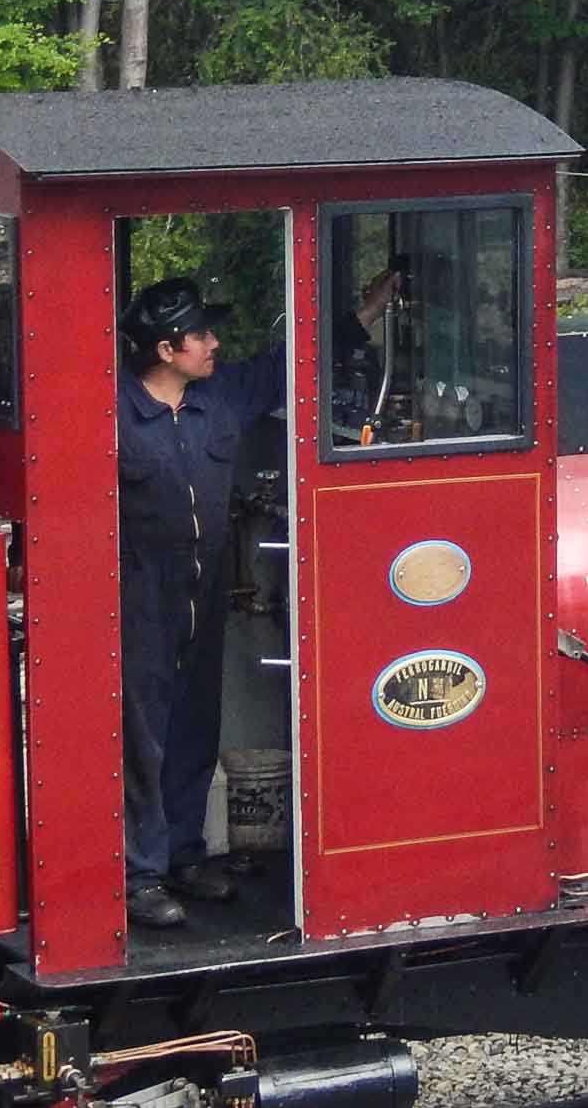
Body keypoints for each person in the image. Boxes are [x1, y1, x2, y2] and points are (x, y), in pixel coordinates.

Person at [116, 267, 396, 930]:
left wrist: (366, 310)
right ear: (165, 350)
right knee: (142, 739)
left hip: (206, 588)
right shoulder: (112, 413)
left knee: (194, 726)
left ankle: (184, 853)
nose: (214, 343)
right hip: (139, 595)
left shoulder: (223, 397)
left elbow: (289, 361)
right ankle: (139, 874)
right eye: (200, 334)